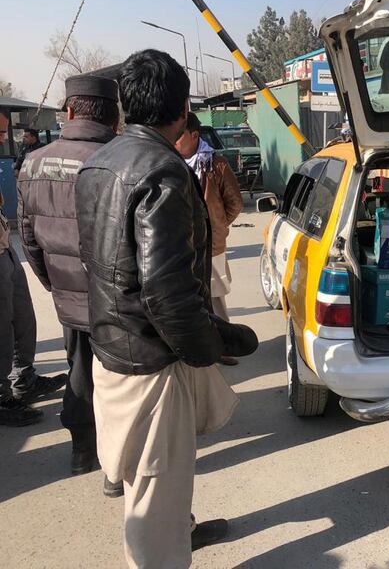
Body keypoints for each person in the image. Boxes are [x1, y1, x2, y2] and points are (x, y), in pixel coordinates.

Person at [75, 49, 258, 569]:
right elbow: (165, 292)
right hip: (151, 362)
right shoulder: (164, 172)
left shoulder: (98, 164)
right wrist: (210, 345)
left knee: (143, 482)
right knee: (157, 498)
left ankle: (180, 534)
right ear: (180, 110)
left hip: (111, 347)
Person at [17, 75, 122, 495]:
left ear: (70, 112)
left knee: (78, 372)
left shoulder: (33, 162)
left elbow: (28, 238)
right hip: (114, 299)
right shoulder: (117, 158)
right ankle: (116, 471)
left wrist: (55, 285)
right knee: (119, 381)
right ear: (114, 116)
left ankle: (82, 451)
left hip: (67, 296)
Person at [0, 108, 67, 427]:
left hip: (5, 249)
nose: (3, 140)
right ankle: (3, 397)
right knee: (1, 327)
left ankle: (23, 379)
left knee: (22, 318)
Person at [175, 112, 244, 366]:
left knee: (215, 296)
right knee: (189, 297)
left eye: (180, 136)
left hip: (211, 246)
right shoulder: (171, 162)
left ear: (194, 135)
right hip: (181, 244)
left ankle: (224, 347)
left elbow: (234, 202)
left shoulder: (216, 164)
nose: (175, 141)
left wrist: (217, 225)